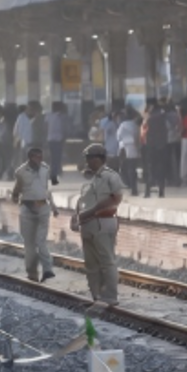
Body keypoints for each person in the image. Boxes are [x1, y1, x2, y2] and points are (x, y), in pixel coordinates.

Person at [72, 143, 124, 306]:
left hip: (102, 221)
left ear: (98, 159)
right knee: (91, 262)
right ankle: (96, 294)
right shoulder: (89, 178)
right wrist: (76, 215)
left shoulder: (110, 176)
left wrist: (93, 210)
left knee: (107, 260)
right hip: (87, 223)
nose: (87, 162)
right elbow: (82, 200)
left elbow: (116, 198)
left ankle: (110, 295)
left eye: (89, 158)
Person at [10, 146, 59, 283]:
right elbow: (17, 188)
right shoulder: (21, 172)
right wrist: (14, 197)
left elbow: (46, 190)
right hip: (27, 209)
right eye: (38, 157)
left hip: (43, 207)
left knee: (40, 240)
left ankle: (47, 269)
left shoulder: (45, 169)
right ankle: (32, 273)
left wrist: (54, 207)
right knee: (29, 244)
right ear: (31, 158)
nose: (40, 159)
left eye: (41, 156)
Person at [142, 102, 168, 198]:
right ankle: (161, 191)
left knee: (150, 168)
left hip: (151, 146)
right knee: (161, 168)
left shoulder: (149, 119)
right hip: (161, 146)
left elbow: (144, 132)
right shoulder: (162, 118)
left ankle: (147, 191)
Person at [116, 108, 141, 196]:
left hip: (124, 149)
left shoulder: (122, 125)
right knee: (132, 168)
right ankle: (134, 187)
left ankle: (128, 184)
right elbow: (138, 136)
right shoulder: (135, 125)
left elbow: (118, 137)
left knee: (124, 168)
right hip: (134, 148)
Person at [46, 102, 67, 182]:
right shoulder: (62, 117)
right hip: (59, 139)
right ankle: (56, 171)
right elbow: (64, 128)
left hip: (50, 138)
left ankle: (54, 171)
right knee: (58, 156)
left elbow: (46, 127)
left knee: (52, 157)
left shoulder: (48, 116)